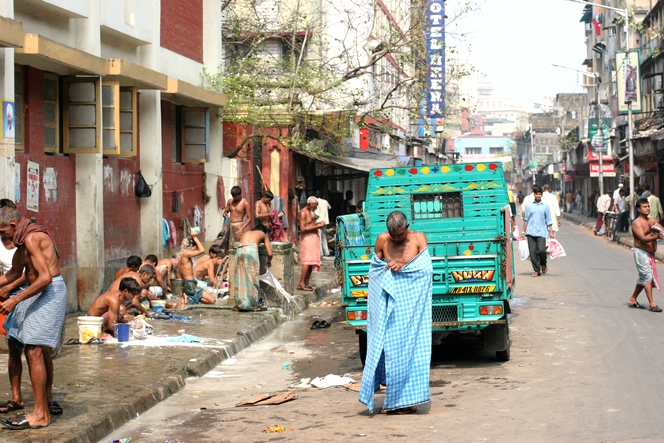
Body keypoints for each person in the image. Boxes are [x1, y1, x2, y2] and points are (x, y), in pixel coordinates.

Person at [359, 210, 432, 415]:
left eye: (400, 235)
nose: (397, 239)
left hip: (412, 307)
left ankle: (408, 401)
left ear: (406, 228)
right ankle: (395, 399)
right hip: (387, 305)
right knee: (388, 351)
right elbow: (375, 270)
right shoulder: (382, 240)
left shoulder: (418, 238)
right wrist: (374, 288)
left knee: (410, 350)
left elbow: (426, 270)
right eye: (393, 235)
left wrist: (405, 265)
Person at [0, 207, 66, 429]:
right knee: (22, 343)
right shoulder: (22, 240)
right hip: (36, 289)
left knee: (35, 350)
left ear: (12, 226)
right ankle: (41, 410)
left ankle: (41, 414)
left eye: (2, 232)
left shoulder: (31, 237)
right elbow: (13, 273)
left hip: (49, 290)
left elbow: (45, 277)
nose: (2, 238)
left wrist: (14, 300)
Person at [628, 198, 664, 312]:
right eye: (644, 206)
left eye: (648, 206)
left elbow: (661, 228)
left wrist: (659, 230)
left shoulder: (652, 220)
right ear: (639, 209)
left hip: (650, 253)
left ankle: (633, 299)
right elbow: (642, 239)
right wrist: (656, 236)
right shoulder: (637, 223)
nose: (647, 208)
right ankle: (652, 304)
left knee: (644, 277)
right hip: (641, 253)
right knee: (647, 276)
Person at [233, 228, 272, 312]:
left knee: (240, 278)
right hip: (251, 251)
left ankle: (240, 305)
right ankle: (254, 305)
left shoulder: (247, 232)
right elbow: (270, 253)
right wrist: (269, 261)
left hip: (240, 250)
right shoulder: (263, 235)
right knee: (252, 278)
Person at [522, 185, 554, 277]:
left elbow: (549, 220)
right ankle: (536, 270)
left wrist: (551, 232)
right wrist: (523, 232)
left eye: (540, 194)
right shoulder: (528, 206)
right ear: (534, 195)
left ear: (542, 195)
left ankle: (543, 264)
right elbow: (526, 219)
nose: (538, 196)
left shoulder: (545, 206)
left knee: (541, 251)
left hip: (541, 232)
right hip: (530, 232)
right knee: (532, 252)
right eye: (536, 194)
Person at [297, 197, 325, 291]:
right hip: (307, 239)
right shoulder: (303, 212)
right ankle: (301, 283)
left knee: (311, 261)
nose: (316, 207)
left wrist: (318, 224)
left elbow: (311, 225)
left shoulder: (310, 212)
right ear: (309, 204)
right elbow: (302, 229)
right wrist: (317, 226)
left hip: (313, 238)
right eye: (315, 205)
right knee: (307, 262)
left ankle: (306, 283)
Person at [178, 232, 206, 305]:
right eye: (195, 248)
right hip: (189, 283)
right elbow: (202, 250)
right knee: (192, 303)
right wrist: (195, 237)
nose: (195, 250)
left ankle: (185, 297)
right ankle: (186, 299)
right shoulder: (186, 254)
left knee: (211, 301)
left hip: (187, 283)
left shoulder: (182, 255)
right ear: (191, 246)